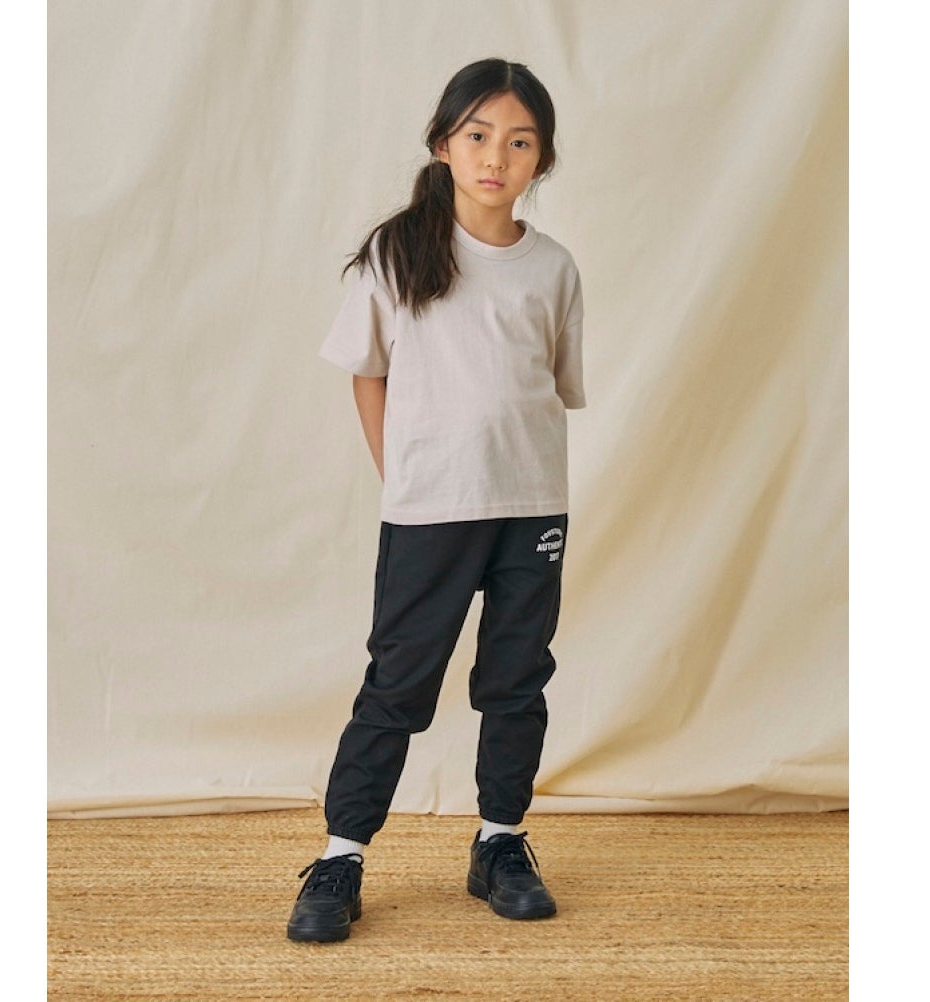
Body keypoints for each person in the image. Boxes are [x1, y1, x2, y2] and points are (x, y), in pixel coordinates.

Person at [287, 57, 586, 944]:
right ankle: (341, 856)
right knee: (398, 682)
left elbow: (551, 386)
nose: (496, 156)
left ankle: (500, 844)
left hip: (531, 506)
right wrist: (402, 475)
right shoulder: (398, 253)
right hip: (429, 510)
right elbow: (366, 374)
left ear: (541, 159)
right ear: (443, 145)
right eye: (478, 135)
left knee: (517, 678)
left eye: (520, 142)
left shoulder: (553, 268)